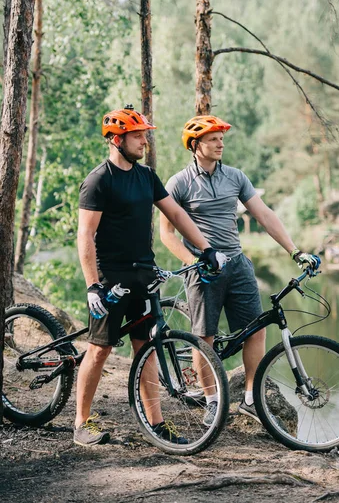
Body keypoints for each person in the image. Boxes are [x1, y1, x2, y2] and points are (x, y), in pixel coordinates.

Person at [75, 105, 226, 447]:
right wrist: (92, 286)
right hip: (110, 280)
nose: (144, 141)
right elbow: (85, 236)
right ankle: (81, 423)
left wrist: (206, 249)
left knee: (148, 348)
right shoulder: (99, 180)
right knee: (100, 349)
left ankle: (157, 425)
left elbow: (175, 212)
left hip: (143, 274)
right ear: (117, 140)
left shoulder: (147, 176)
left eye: (145, 134)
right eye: (138, 135)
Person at [160, 115, 318, 425]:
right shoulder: (178, 183)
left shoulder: (235, 176)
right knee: (203, 337)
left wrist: (294, 250)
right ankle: (212, 400)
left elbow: (264, 214)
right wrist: (193, 262)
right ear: (195, 145)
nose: (221, 143)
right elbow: (166, 234)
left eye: (222, 138)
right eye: (213, 139)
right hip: (202, 270)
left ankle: (250, 398)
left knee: (256, 331)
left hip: (238, 264)